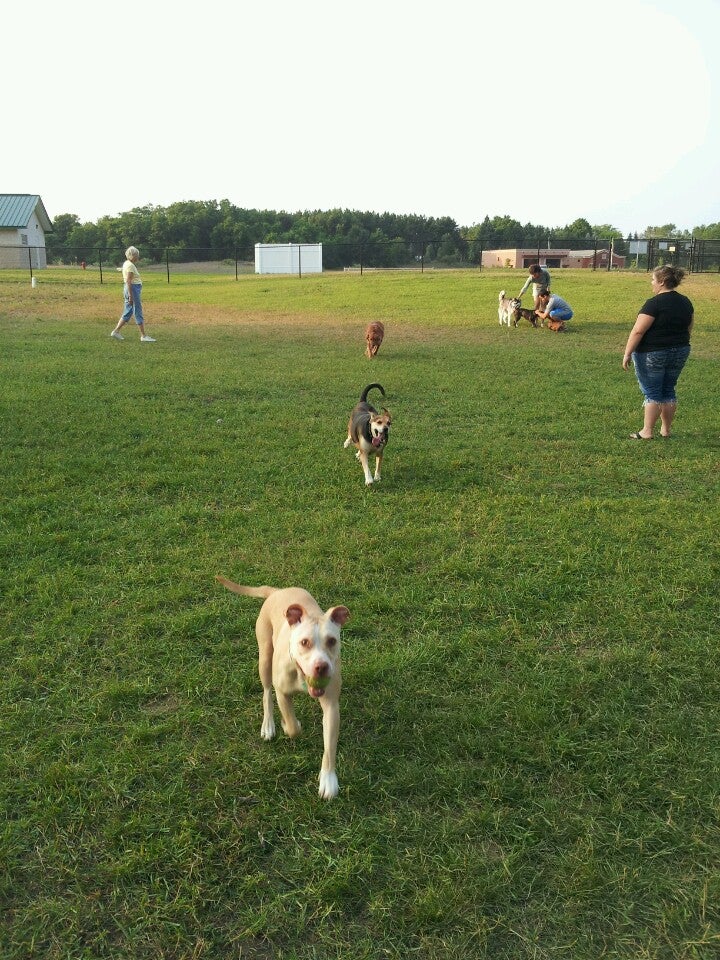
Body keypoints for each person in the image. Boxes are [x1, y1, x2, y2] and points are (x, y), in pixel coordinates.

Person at [622, 264, 693, 440]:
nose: (652, 283)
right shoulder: (685, 302)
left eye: (653, 280)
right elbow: (689, 327)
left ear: (661, 282)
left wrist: (627, 353)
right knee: (669, 389)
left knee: (653, 392)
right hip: (680, 350)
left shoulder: (654, 304)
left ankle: (646, 432)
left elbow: (638, 331)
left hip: (652, 353)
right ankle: (666, 430)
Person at [110, 246, 156, 342]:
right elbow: (129, 281)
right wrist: (131, 296)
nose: (138, 257)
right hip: (132, 290)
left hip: (131, 289)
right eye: (136, 255)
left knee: (128, 311)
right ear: (132, 255)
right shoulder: (130, 266)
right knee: (137, 311)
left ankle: (116, 331)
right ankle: (143, 336)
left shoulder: (127, 263)